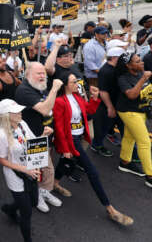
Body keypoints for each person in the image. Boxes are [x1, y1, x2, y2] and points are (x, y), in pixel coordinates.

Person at [53, 71, 133, 226]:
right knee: (92, 172)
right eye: (73, 82)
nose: (77, 84)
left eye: (76, 81)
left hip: (79, 137)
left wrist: (94, 98)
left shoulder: (77, 97)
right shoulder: (60, 102)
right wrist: (65, 148)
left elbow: (88, 112)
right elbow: (59, 128)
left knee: (65, 162)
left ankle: (55, 183)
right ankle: (110, 209)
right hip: (70, 141)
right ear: (65, 85)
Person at [15, 62, 63, 212]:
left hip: (44, 134)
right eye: (38, 73)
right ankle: (37, 197)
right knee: (36, 170)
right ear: (28, 74)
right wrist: (55, 88)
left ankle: (42, 192)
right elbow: (44, 109)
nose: (43, 76)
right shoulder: (24, 90)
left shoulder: (39, 86)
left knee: (45, 168)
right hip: (32, 138)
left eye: (43, 73)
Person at [0, 99, 40, 242]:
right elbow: (1, 159)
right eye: (16, 111)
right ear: (6, 115)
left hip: (31, 171)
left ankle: (10, 208)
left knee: (33, 201)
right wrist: (24, 169)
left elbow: (32, 143)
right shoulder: (1, 135)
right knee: (26, 212)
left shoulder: (22, 124)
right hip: (16, 176)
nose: (20, 112)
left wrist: (43, 134)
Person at [115, 52, 152, 187]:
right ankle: (150, 176)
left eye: (140, 60)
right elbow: (131, 95)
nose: (141, 62)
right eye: (137, 61)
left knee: (130, 137)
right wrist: (143, 79)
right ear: (129, 66)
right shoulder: (123, 78)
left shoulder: (142, 73)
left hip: (141, 110)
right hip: (129, 111)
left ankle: (125, 162)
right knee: (144, 142)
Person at [91, 47, 125, 156]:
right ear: (115, 58)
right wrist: (110, 107)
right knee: (102, 128)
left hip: (117, 104)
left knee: (121, 127)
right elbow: (103, 92)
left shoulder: (116, 68)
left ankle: (130, 150)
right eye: (122, 57)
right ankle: (97, 146)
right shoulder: (105, 71)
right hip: (106, 106)